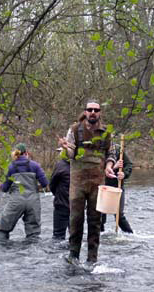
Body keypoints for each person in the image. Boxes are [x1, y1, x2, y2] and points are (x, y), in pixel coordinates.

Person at [58, 99, 116, 264]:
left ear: (100, 113)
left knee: (95, 220)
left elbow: (111, 153)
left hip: (98, 182)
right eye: (89, 109)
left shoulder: (106, 132)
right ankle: (73, 255)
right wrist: (65, 147)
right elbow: (70, 155)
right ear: (85, 112)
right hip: (77, 182)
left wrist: (109, 166)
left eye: (96, 110)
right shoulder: (75, 130)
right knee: (75, 219)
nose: (92, 112)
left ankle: (92, 258)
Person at [0, 143, 49, 241]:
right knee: (33, 235)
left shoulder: (12, 167)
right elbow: (45, 183)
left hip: (16, 202)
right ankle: (31, 254)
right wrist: (35, 188)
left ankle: (3, 250)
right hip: (33, 201)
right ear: (27, 153)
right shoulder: (35, 166)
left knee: (3, 230)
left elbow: (4, 188)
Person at [101, 143, 133, 233]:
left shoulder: (118, 149)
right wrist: (114, 167)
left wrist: (124, 174)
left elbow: (129, 165)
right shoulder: (97, 150)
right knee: (100, 215)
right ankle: (99, 235)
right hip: (103, 187)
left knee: (119, 216)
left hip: (117, 186)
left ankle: (130, 235)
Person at [49, 148, 70, 240]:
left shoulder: (60, 165)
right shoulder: (82, 166)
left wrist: (57, 195)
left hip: (61, 204)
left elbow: (52, 185)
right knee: (75, 235)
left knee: (58, 237)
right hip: (78, 206)